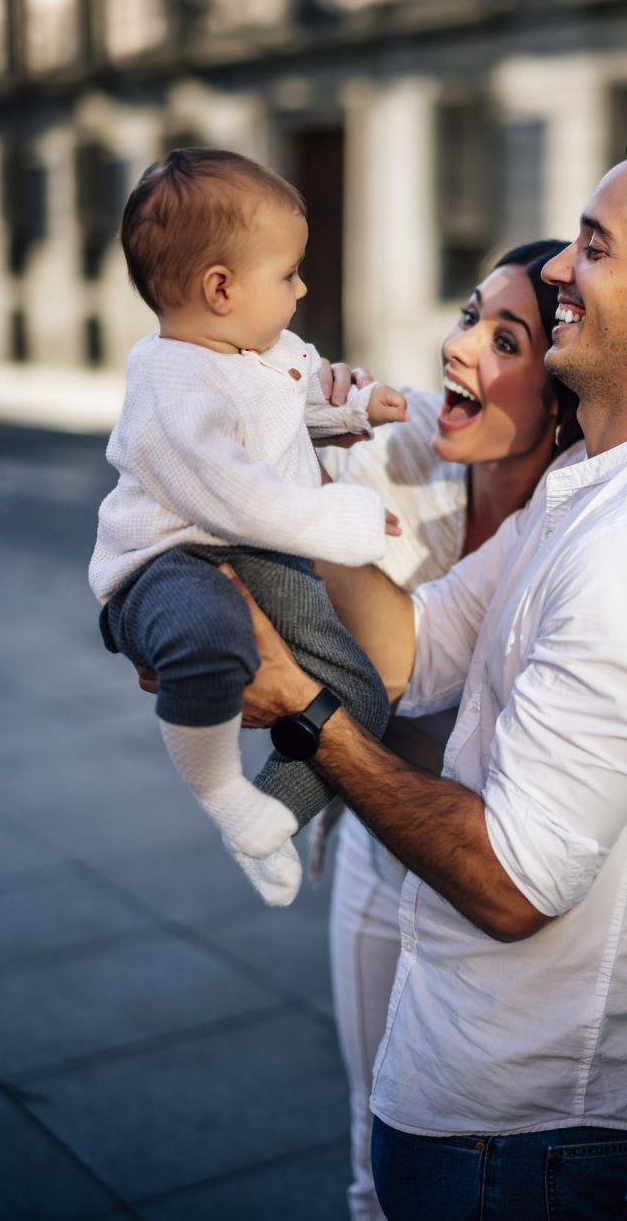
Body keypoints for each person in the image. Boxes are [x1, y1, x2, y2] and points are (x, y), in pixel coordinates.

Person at [228, 110, 627, 1219]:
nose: (555, 266)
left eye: (593, 246)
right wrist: (278, 494)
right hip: (465, 1066)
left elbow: (511, 887)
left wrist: (304, 710)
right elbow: (420, 646)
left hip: (519, 1118)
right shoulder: (588, 489)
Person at [90, 148, 406, 906]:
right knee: (210, 637)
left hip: (256, 549)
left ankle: (269, 812)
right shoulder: (171, 385)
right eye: (289, 274)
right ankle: (221, 790)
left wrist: (353, 412)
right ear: (221, 289)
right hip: (163, 565)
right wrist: (345, 520)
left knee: (358, 697)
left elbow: (288, 412)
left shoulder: (267, 351)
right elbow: (234, 496)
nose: (301, 288)